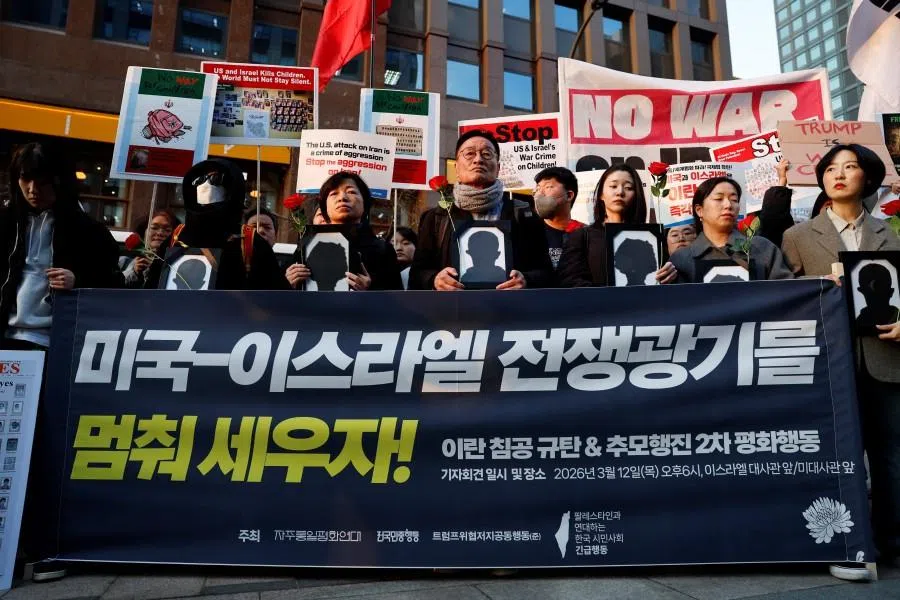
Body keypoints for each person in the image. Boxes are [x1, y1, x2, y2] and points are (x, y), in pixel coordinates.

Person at [2, 141, 123, 583]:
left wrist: (79, 281)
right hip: (8, 344)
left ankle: (46, 546)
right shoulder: (5, 223)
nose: (33, 189)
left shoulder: (86, 231)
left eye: (42, 180)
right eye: (25, 179)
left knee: (50, 449)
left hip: (58, 349)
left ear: (58, 181)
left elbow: (113, 286)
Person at [780, 144, 900, 581]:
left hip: (887, 359)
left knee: (891, 456)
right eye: (831, 168)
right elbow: (785, 300)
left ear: (867, 178)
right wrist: (818, 289)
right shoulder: (797, 236)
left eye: (850, 167)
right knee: (837, 455)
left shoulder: (892, 233)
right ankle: (845, 541)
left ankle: (893, 543)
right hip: (830, 361)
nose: (839, 174)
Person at [410, 130, 553, 291]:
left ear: (498, 167)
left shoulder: (524, 214)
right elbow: (416, 275)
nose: (478, 160)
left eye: (486, 154)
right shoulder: (437, 218)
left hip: (511, 312)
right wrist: (434, 280)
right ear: (456, 168)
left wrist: (527, 280)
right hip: (453, 312)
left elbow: (547, 273)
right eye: (469, 154)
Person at [144, 158, 288, 291]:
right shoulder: (176, 237)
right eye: (199, 180)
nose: (205, 185)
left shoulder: (250, 242)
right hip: (174, 317)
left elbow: (275, 299)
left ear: (232, 187)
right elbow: (151, 292)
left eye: (215, 179)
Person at [558, 164, 676, 287]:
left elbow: (661, 282)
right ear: (601, 194)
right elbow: (570, 281)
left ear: (637, 195)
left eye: (628, 187)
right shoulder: (581, 237)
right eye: (613, 186)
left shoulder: (652, 238)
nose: (620, 192)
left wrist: (669, 274)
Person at [286, 171, 401, 291]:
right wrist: (289, 283)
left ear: (365, 204)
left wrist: (370, 293)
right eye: (334, 193)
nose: (342, 198)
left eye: (351, 192)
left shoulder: (382, 250)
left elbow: (396, 302)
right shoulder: (307, 246)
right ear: (324, 208)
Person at [669, 176, 793, 283]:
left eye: (734, 200)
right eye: (719, 199)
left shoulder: (762, 248)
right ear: (699, 210)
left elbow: (787, 293)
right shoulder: (681, 259)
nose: (728, 205)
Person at [533, 166, 584, 269]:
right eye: (537, 189)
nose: (539, 194)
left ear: (569, 195)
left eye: (548, 187)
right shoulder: (529, 234)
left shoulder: (586, 234)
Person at [122, 210, 180, 289]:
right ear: (144, 232)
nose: (160, 233)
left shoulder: (177, 266)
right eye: (154, 228)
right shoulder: (123, 262)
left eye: (167, 230)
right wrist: (135, 271)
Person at [854, 263, 900, 331]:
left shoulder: (855, 324)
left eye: (880, 287)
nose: (876, 292)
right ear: (891, 292)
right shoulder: (857, 323)